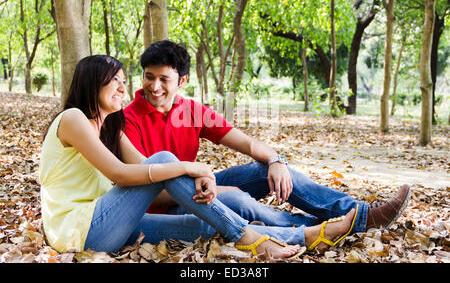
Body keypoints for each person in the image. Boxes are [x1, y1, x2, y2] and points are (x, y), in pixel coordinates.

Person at [38, 55, 360, 258]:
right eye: (115, 82)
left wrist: (273, 159)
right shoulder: (74, 119)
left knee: (202, 225)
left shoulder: (112, 127)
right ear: (92, 82)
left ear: (182, 81)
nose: (124, 89)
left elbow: (140, 167)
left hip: (111, 223)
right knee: (166, 160)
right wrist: (194, 168)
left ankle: (309, 235)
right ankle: (247, 236)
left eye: (124, 82)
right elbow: (125, 175)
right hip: (82, 230)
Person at [124, 40, 411, 233]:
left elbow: (247, 143)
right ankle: (324, 226)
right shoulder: (128, 120)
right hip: (161, 207)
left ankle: (358, 215)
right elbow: (148, 189)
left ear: (182, 81)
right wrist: (225, 191)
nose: (154, 86)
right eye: (149, 77)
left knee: (263, 168)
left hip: (197, 186)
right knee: (239, 201)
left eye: (164, 79)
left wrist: (276, 160)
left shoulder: (191, 110)